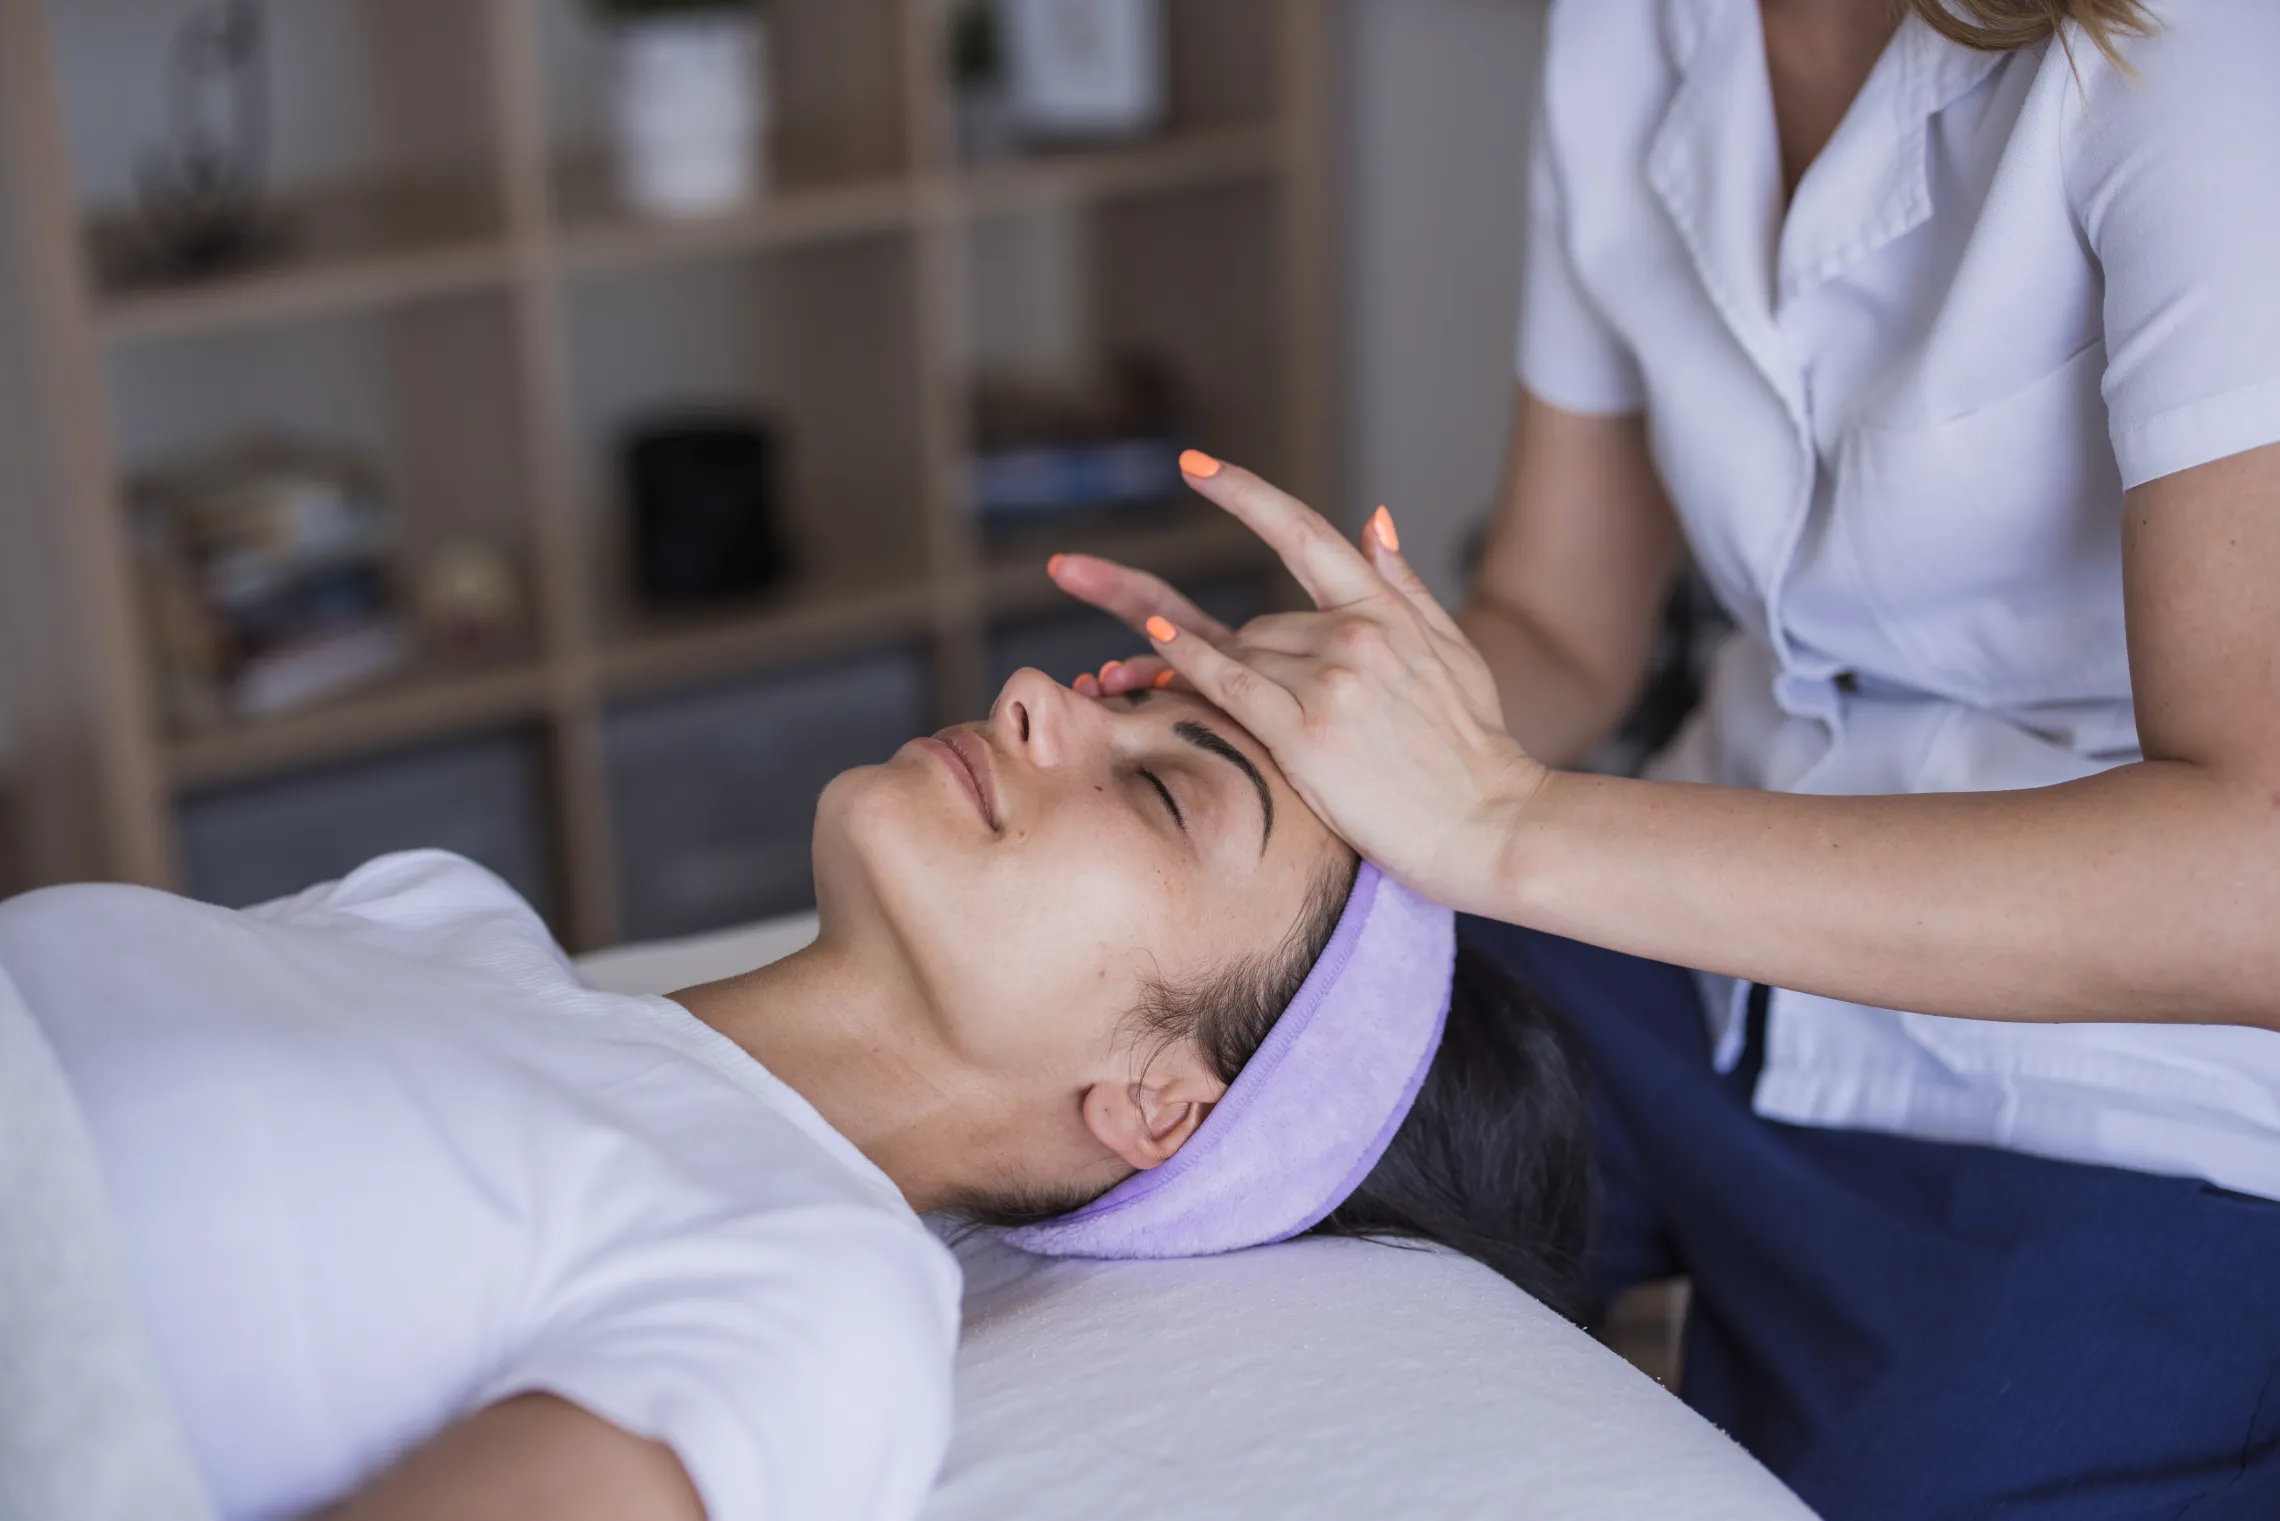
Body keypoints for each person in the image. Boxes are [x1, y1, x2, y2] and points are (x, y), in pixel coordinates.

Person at [1048, 0, 2280, 1514]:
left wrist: (1499, 823)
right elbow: (1563, 628)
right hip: (1676, 946)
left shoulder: (2207, 53)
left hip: (2105, 1089)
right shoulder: (1630, 31)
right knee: (1142, 1236)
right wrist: (1286, 738)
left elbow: (2256, 885)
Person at [0, 668, 1592, 1521]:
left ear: (1163, 1105)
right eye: (1124, 700)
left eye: (1161, 788)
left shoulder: (807, 1295)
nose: (1040, 697)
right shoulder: (442, 911)